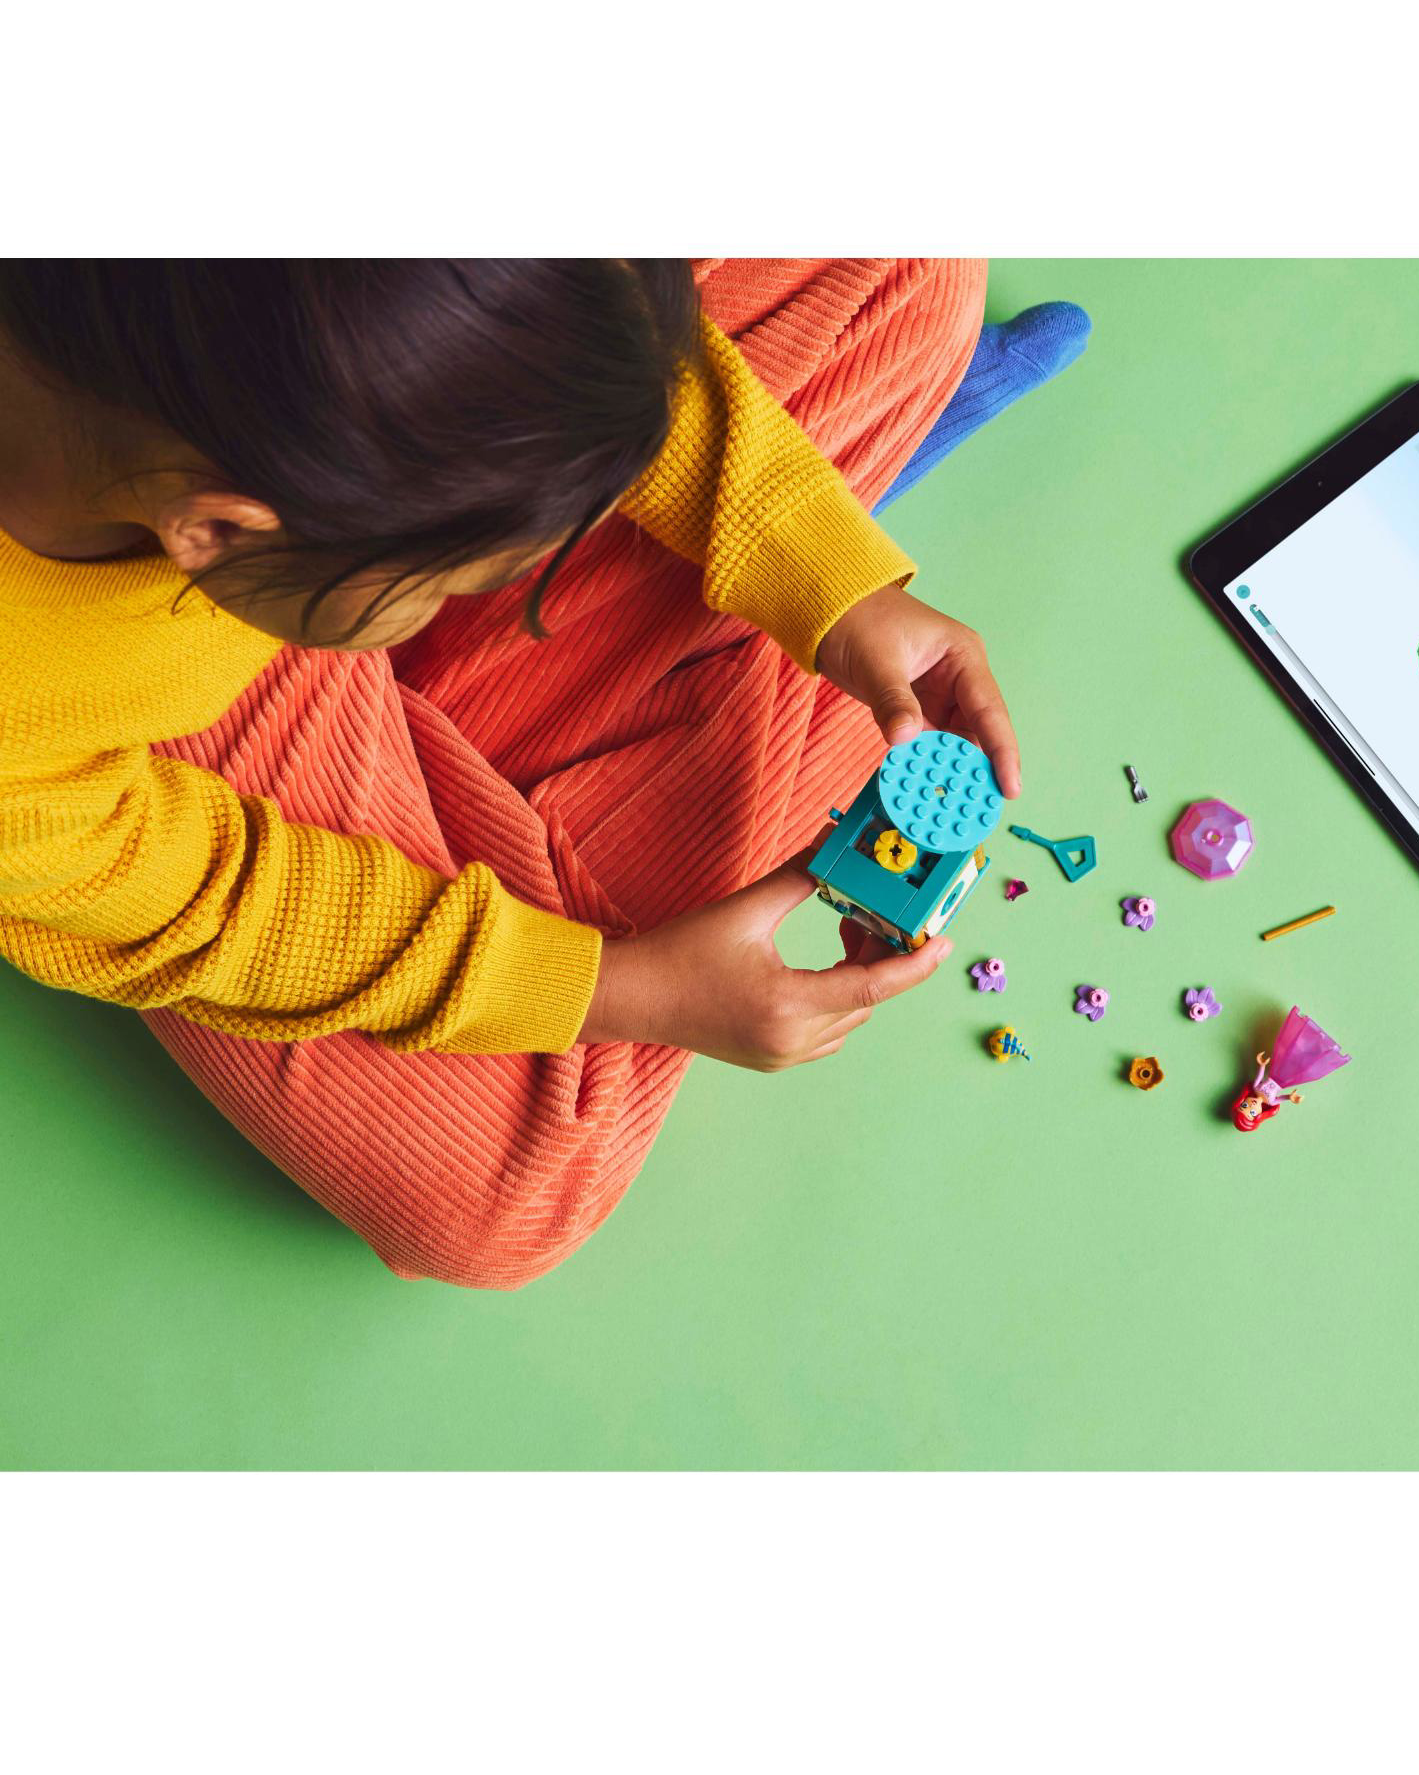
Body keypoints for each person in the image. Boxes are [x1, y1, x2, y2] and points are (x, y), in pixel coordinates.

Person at [0, 259, 1088, 1288]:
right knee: (521, 1188)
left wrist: (827, 577)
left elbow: (549, 320)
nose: (503, 582)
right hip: (133, 744)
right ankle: (692, 636)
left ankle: (655, 652)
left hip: (297, 554)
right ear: (220, 532)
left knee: (909, 270)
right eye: (454, 582)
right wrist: (621, 987)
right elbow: (226, 904)